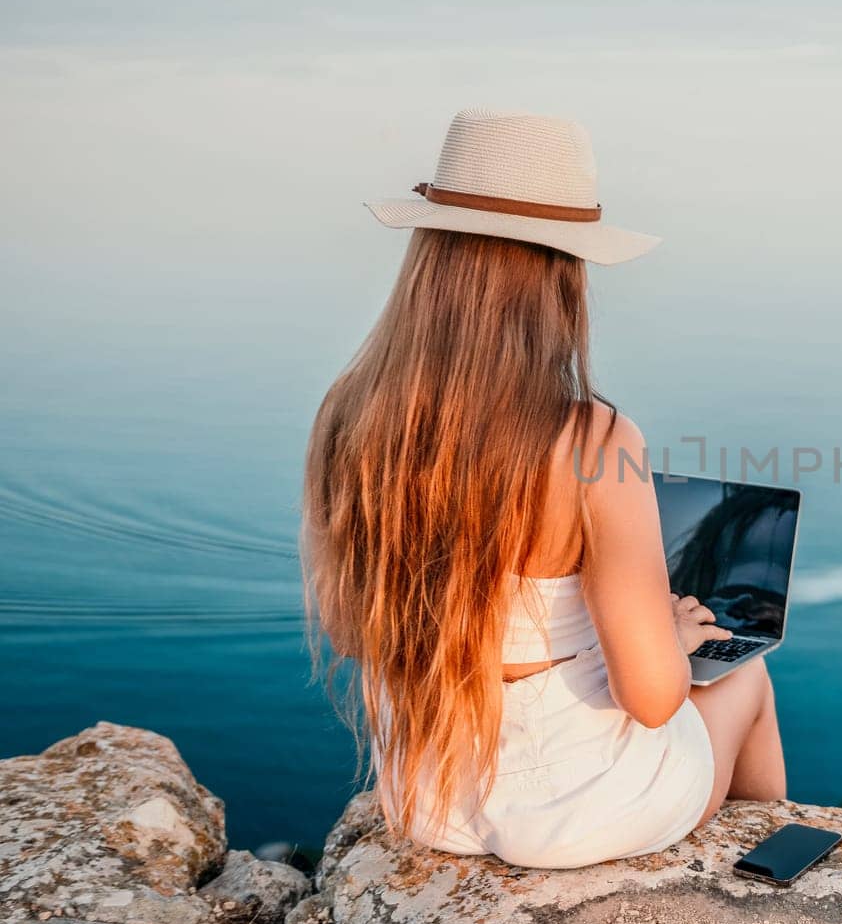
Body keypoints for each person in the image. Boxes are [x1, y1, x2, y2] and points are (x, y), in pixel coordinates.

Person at [300, 108, 785, 868]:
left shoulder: (351, 413)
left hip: (430, 795)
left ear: (431, 256)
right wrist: (670, 632)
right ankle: (765, 874)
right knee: (746, 675)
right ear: (563, 273)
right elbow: (654, 699)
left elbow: (351, 630)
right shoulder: (594, 441)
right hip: (583, 812)